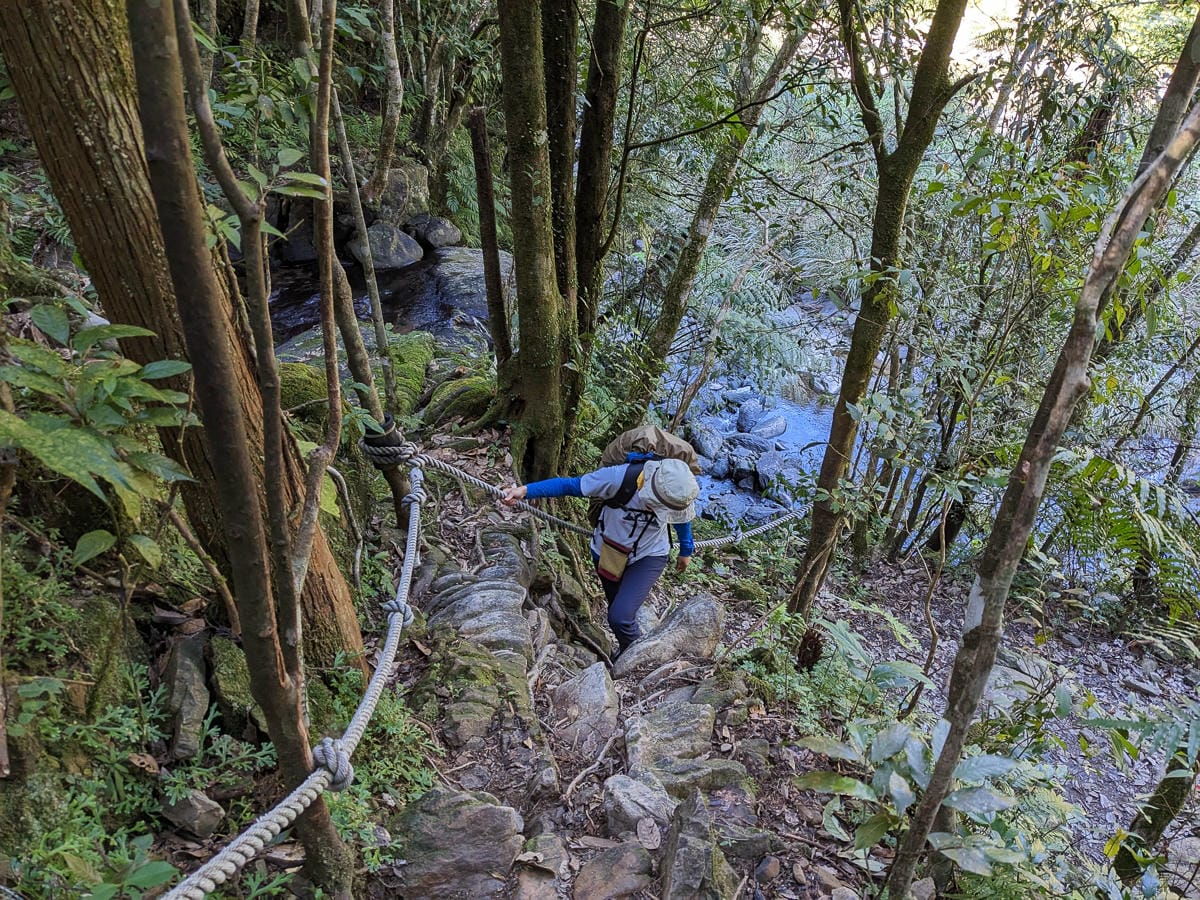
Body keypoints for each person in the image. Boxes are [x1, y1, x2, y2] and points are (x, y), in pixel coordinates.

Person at [501, 456, 700, 655]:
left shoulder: (674, 497)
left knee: (619, 617)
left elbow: (681, 518)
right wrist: (524, 491)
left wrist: (686, 550)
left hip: (650, 555)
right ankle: (626, 651)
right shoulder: (617, 478)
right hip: (607, 551)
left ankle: (640, 659)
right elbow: (569, 486)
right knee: (617, 611)